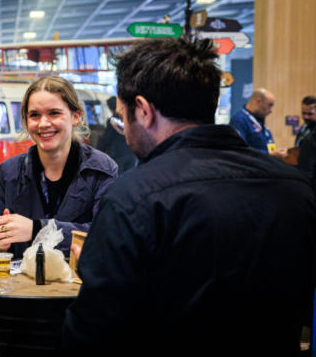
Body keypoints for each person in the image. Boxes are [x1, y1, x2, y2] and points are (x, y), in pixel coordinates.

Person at [61, 37, 316, 355]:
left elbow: (90, 336)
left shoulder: (133, 198)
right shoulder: (296, 188)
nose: (124, 132)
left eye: (122, 119)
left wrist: (100, 267)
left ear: (144, 111)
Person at [0, 76, 118, 258]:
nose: (43, 123)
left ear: (76, 117)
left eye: (54, 113)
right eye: (34, 115)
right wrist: (1, 246)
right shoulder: (8, 172)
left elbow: (105, 235)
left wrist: (37, 229)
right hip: (22, 276)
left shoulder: (102, 170)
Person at [229, 88, 288, 159]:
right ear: (258, 101)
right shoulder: (239, 120)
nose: (271, 110)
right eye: (270, 105)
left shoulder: (259, 120)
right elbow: (240, 151)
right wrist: (269, 155)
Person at [96, 96, 137, 174]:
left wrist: (99, 152)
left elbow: (106, 139)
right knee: (129, 176)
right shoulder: (129, 118)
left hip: (117, 155)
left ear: (110, 108)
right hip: (130, 153)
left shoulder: (112, 121)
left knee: (117, 177)